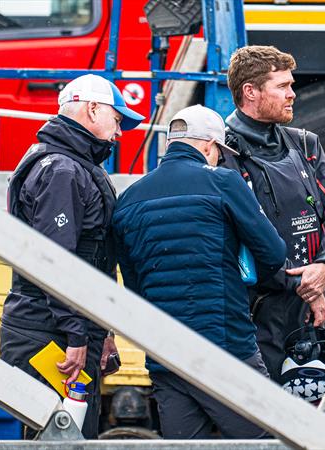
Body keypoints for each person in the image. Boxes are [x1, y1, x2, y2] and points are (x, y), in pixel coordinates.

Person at [111, 105, 286, 439]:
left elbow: (133, 288)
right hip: (225, 350)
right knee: (266, 442)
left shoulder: (128, 200)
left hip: (165, 355)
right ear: (210, 146)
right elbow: (274, 253)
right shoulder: (222, 182)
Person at [1, 74, 145, 439]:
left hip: (63, 326)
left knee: (70, 435)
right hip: (51, 334)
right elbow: (56, 261)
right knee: (60, 439)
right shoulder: (63, 171)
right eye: (117, 119)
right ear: (92, 109)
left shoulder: (74, 165)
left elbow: (93, 257)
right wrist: (78, 337)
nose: (120, 132)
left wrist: (103, 330)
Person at [222, 45, 325, 381]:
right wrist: (297, 282)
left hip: (312, 303)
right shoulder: (222, 151)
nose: (292, 94)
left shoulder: (306, 144)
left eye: (291, 85)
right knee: (259, 421)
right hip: (254, 310)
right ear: (250, 92)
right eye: (282, 87)